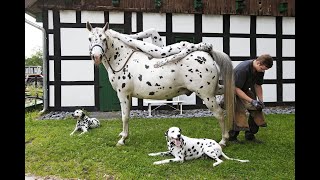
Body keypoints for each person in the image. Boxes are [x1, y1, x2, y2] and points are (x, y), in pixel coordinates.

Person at [228, 54, 273, 143]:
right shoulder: (242, 69)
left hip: (244, 89)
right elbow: (236, 89)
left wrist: (260, 100)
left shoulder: (260, 70)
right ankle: (232, 137)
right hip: (233, 90)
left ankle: (250, 135)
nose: (263, 71)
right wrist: (251, 101)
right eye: (263, 69)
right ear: (258, 63)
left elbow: (258, 85)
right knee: (239, 111)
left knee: (257, 109)